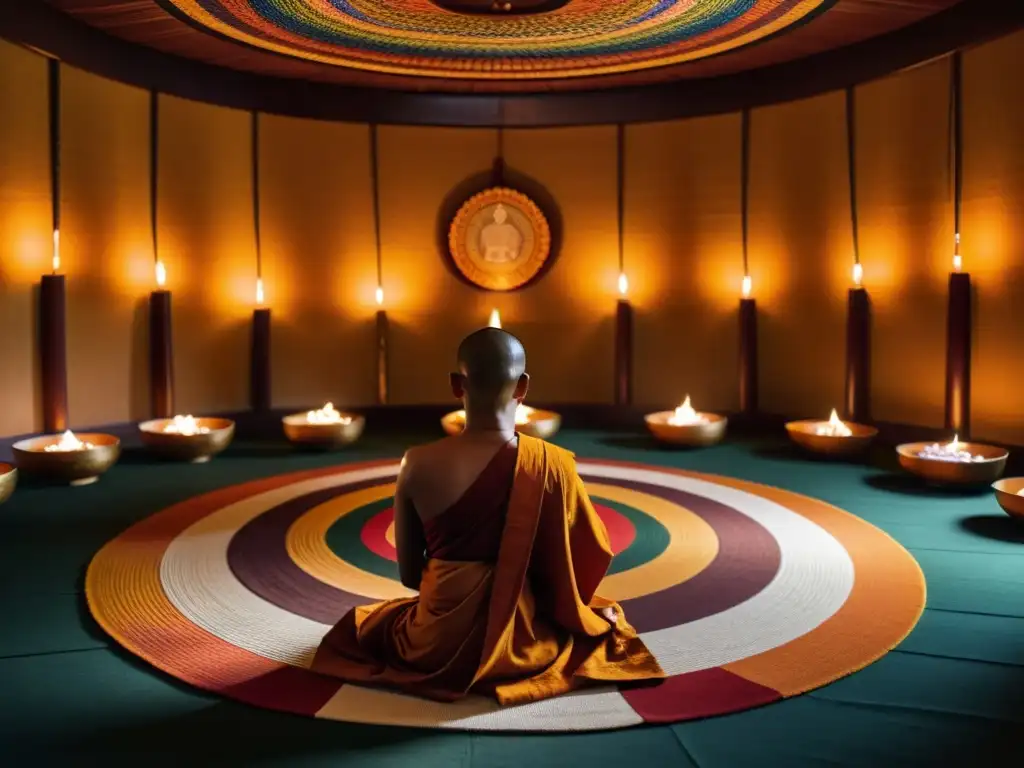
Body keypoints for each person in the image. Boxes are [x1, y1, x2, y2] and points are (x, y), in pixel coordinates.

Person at [310, 327, 664, 705]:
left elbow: (411, 576)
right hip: (526, 643)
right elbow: (585, 562)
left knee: (372, 625)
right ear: (523, 386)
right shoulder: (554, 466)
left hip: (431, 645)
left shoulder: (416, 463)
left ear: (456, 384)